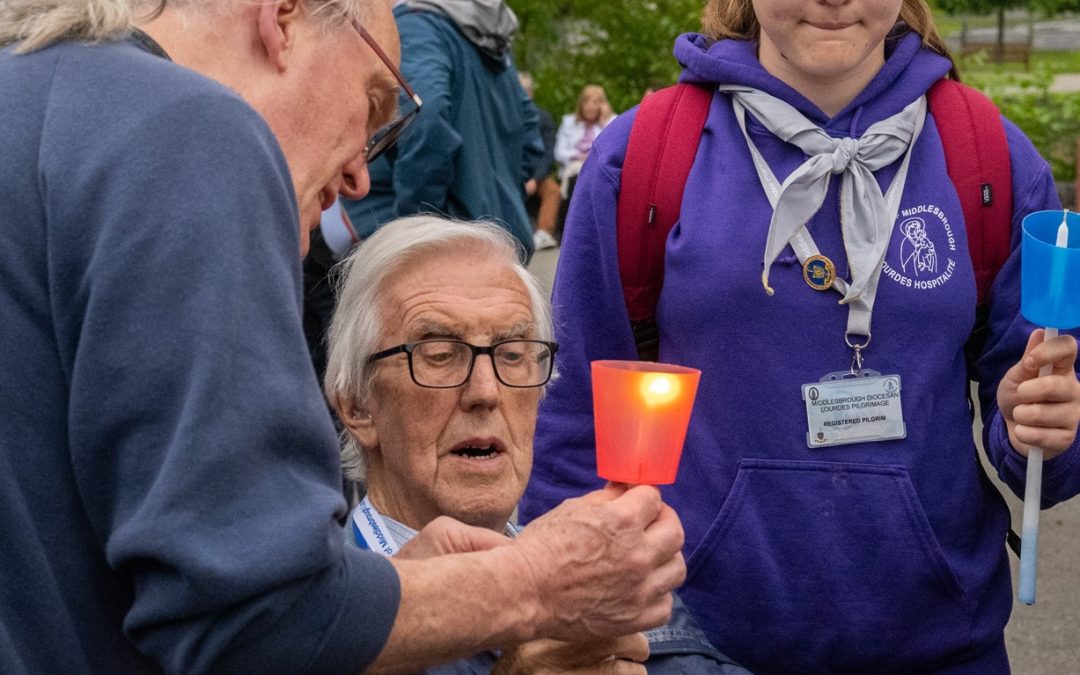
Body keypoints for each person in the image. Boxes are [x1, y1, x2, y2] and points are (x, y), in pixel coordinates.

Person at [0, 1, 686, 673]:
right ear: (284, 20)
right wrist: (539, 581)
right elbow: (253, 620)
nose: (362, 173)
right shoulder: (190, 126)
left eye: (513, 355)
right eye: (375, 101)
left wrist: (393, 596)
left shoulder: (32, 100)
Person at [520, 1, 1080, 673]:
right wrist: (562, 632)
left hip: (941, 646)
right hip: (693, 646)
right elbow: (575, 424)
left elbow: (1048, 443)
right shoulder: (645, 155)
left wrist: (1040, 427)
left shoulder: (987, 154)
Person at [324, 214, 750, 674]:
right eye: (440, 355)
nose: (486, 392)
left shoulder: (603, 578)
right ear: (357, 406)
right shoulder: (305, 627)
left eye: (513, 354)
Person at [344, 0, 543, 259]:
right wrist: (495, 195)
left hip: (444, 247)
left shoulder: (416, 25)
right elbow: (530, 131)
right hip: (500, 238)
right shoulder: (491, 38)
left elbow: (427, 121)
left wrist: (418, 226)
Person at [519, 71, 562, 251]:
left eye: (524, 91)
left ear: (531, 93)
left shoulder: (543, 118)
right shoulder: (502, 119)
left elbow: (549, 152)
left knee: (553, 190)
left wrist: (535, 179)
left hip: (536, 176)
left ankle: (543, 233)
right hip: (510, 175)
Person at [553, 83, 616, 198]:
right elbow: (559, 153)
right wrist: (579, 156)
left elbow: (613, 150)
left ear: (602, 105)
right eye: (586, 102)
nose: (589, 107)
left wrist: (603, 124)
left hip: (598, 170)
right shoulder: (569, 122)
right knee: (577, 180)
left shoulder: (611, 122)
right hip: (573, 169)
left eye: (594, 102)